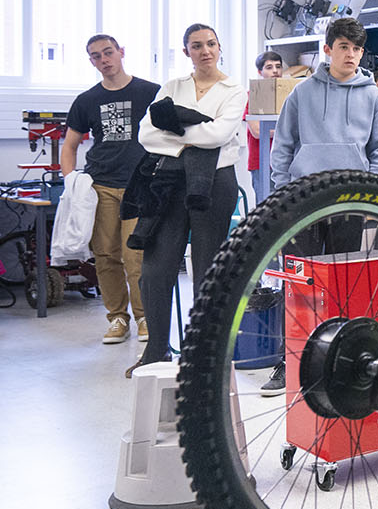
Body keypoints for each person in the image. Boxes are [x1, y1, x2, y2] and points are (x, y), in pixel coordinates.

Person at [262, 16, 378, 395]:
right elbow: (282, 147)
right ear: (327, 50)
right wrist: (284, 193)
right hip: (302, 201)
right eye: (343, 47)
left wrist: (370, 195)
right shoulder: (301, 94)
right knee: (299, 285)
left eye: (357, 49)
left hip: (349, 201)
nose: (351, 55)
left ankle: (337, 359)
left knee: (342, 285)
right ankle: (291, 362)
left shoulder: (373, 97)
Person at [128, 23, 247, 375]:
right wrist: (195, 135)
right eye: (197, 46)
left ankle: (202, 354)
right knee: (155, 269)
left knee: (207, 269)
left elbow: (220, 134)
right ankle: (156, 350)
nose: (205, 51)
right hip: (169, 181)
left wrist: (175, 132)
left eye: (211, 44)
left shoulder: (234, 90)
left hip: (216, 182)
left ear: (219, 47)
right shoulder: (172, 87)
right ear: (186, 52)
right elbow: (147, 134)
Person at [60, 34, 160, 344]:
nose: (104, 60)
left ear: (121, 52)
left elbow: (170, 133)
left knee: (136, 256)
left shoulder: (150, 92)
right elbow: (70, 145)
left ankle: (144, 317)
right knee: (105, 255)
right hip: (100, 186)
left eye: (108, 52)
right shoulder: (86, 100)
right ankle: (117, 317)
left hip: (139, 186)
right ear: (91, 61)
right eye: (96, 56)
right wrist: (72, 184)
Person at [247, 51, 284, 185]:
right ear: (260, 72)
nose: (275, 71)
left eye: (278, 66)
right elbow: (257, 132)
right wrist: (287, 132)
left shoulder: (289, 96)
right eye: (269, 67)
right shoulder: (252, 96)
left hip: (284, 161)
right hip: (261, 161)